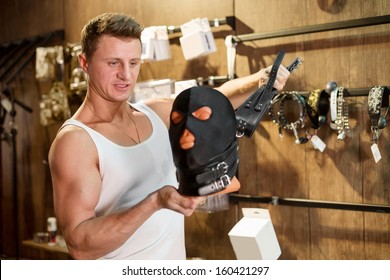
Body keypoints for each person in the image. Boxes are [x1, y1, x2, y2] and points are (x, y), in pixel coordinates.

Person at [48, 12, 290, 260]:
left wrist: (260, 80)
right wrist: (155, 202)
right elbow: (80, 244)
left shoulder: (155, 113)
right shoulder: (77, 141)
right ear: (85, 62)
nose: (126, 75)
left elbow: (215, 100)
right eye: (113, 63)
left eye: (133, 62)